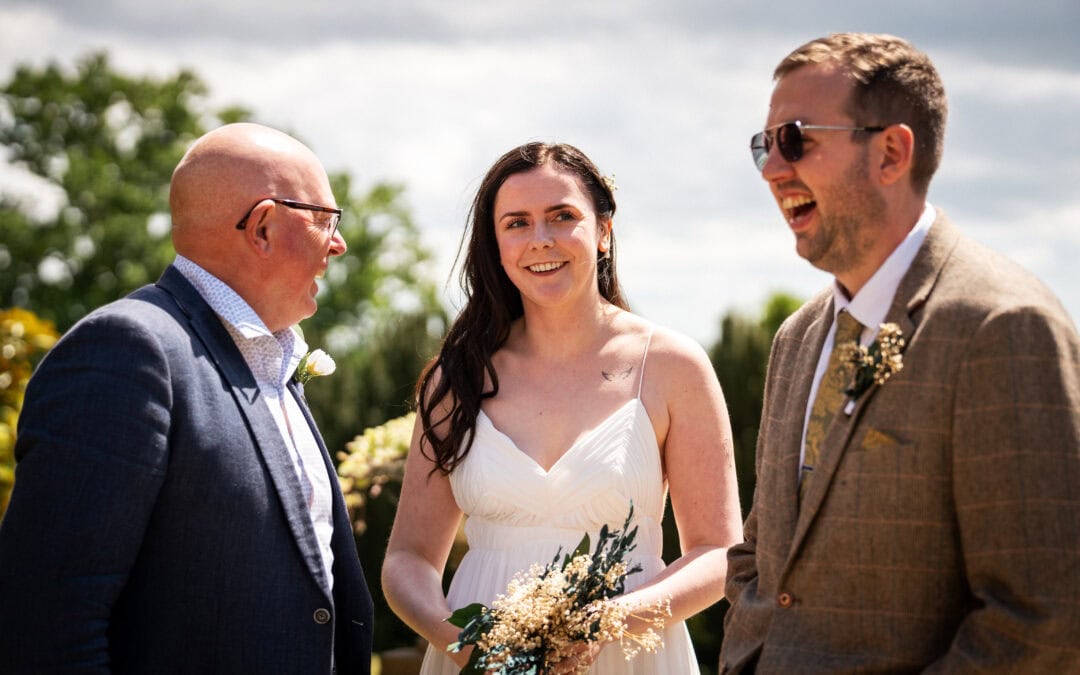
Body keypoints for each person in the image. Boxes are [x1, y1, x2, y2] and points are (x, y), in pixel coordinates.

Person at [720, 33, 1080, 673]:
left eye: (797, 139)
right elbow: (761, 556)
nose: (774, 169)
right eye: (764, 145)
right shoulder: (796, 339)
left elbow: (1044, 617)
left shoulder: (1003, 327)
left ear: (891, 152)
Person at [0, 122, 374, 673]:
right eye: (323, 219)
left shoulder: (274, 363)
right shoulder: (127, 352)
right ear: (264, 226)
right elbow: (47, 620)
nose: (338, 243)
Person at [383, 142, 743, 673]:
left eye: (562, 216)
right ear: (497, 246)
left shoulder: (671, 366)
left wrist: (606, 624)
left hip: (632, 656)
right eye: (517, 224)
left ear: (603, 231)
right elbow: (407, 559)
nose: (541, 240)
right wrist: (464, 645)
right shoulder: (455, 378)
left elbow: (717, 552)